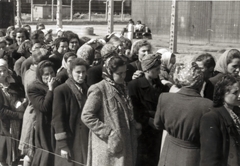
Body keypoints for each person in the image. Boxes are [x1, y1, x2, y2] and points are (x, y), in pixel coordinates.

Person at [81, 56, 141, 166]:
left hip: (123, 144)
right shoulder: (99, 89)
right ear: (109, 72)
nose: (123, 76)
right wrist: (108, 133)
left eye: (124, 72)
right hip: (107, 147)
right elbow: (86, 116)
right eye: (119, 73)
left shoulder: (123, 87)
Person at [154, 63, 212, 166]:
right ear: (201, 83)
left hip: (168, 151)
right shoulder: (208, 105)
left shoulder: (165, 98)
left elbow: (158, 124)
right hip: (192, 156)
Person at [128, 54, 168, 166]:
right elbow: (133, 109)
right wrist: (147, 120)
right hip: (142, 130)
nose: (159, 72)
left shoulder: (160, 86)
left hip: (156, 130)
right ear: (147, 70)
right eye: (156, 69)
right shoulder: (134, 85)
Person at [52, 58, 89, 166]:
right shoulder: (61, 90)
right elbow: (58, 119)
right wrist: (63, 145)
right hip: (70, 138)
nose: (81, 75)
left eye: (83, 72)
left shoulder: (87, 89)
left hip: (84, 137)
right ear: (70, 72)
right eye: (78, 72)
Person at [200, 74, 240, 166]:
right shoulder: (212, 118)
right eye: (235, 92)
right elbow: (209, 158)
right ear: (222, 93)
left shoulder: (236, 112)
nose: (239, 96)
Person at [27, 60, 58, 166]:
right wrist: (50, 89)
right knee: (46, 154)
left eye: (52, 73)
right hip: (44, 126)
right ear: (40, 75)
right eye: (46, 74)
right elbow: (44, 107)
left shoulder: (57, 83)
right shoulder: (33, 88)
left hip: (56, 124)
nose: (50, 76)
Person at [0, 59, 26, 166]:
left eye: (4, 70)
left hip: (15, 124)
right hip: (3, 124)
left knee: (15, 153)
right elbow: (1, 111)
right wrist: (18, 115)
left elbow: (21, 94)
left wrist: (21, 101)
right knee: (4, 153)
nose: (2, 74)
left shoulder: (13, 83)